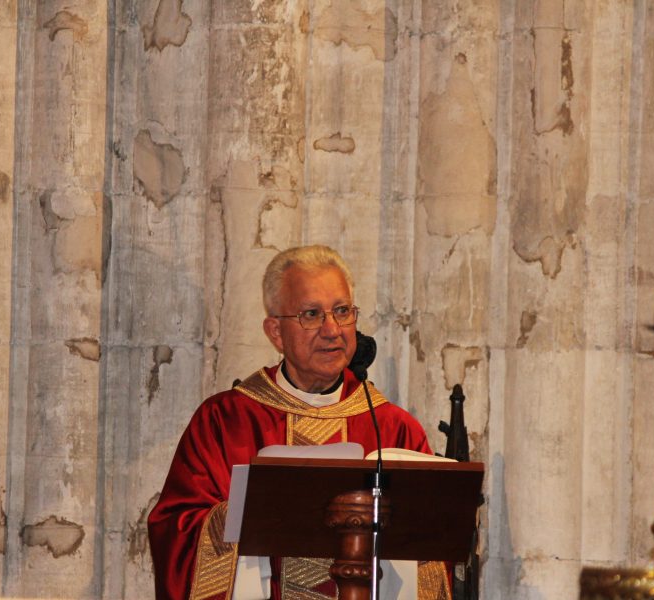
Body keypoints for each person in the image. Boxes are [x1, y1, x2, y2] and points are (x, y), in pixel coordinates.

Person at [148, 245, 450, 600]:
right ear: (276, 332)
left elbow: (431, 545)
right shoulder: (224, 421)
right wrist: (254, 513)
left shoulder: (393, 427)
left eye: (342, 311)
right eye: (311, 314)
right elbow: (176, 528)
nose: (332, 329)